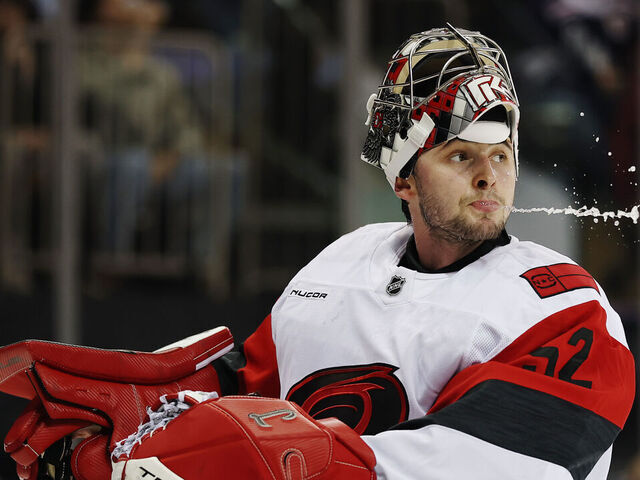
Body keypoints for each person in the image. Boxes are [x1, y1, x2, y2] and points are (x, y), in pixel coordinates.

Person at [1, 24, 635, 480]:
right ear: (404, 180)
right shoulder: (346, 261)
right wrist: (138, 423)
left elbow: (509, 462)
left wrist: (311, 461)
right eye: (460, 155)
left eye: (502, 156)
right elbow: (250, 388)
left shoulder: (561, 303)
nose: (487, 177)